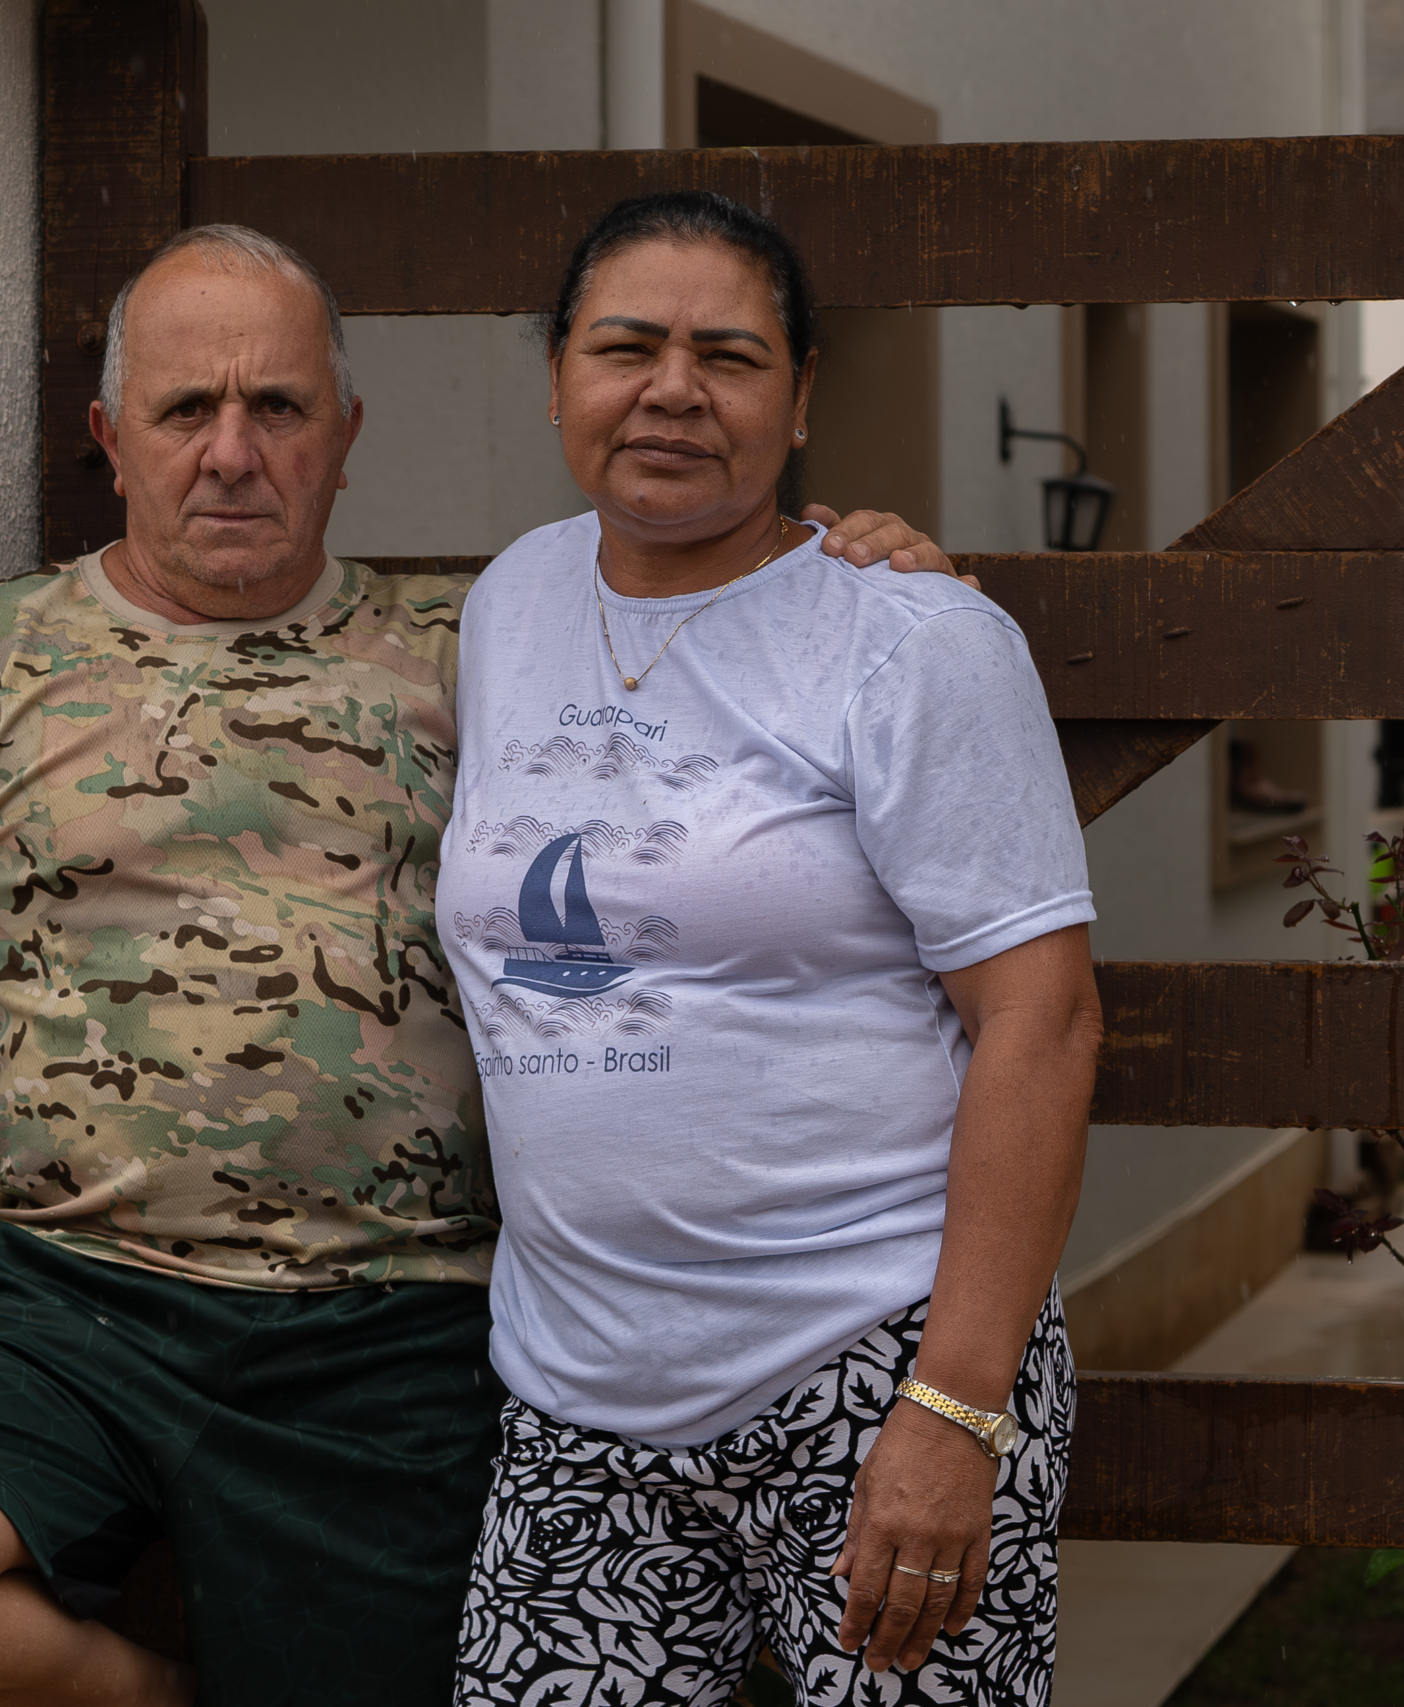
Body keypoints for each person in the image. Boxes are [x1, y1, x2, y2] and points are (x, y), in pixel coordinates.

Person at [0, 221, 955, 1707]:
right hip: (75, 1306)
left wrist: (859, 572)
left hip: (395, 1335)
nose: (234, 453)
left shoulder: (489, 651)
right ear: (113, 437)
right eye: (188, 411)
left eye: (281, 409)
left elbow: (714, 654)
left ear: (347, 436)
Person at [441, 190, 1102, 1707]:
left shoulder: (912, 640)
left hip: (872, 1367)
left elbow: (1043, 1025)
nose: (672, 389)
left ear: (801, 400)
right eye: (626, 347)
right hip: (577, 1394)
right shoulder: (510, 604)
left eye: (727, 356)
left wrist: (956, 1410)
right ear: (557, 381)